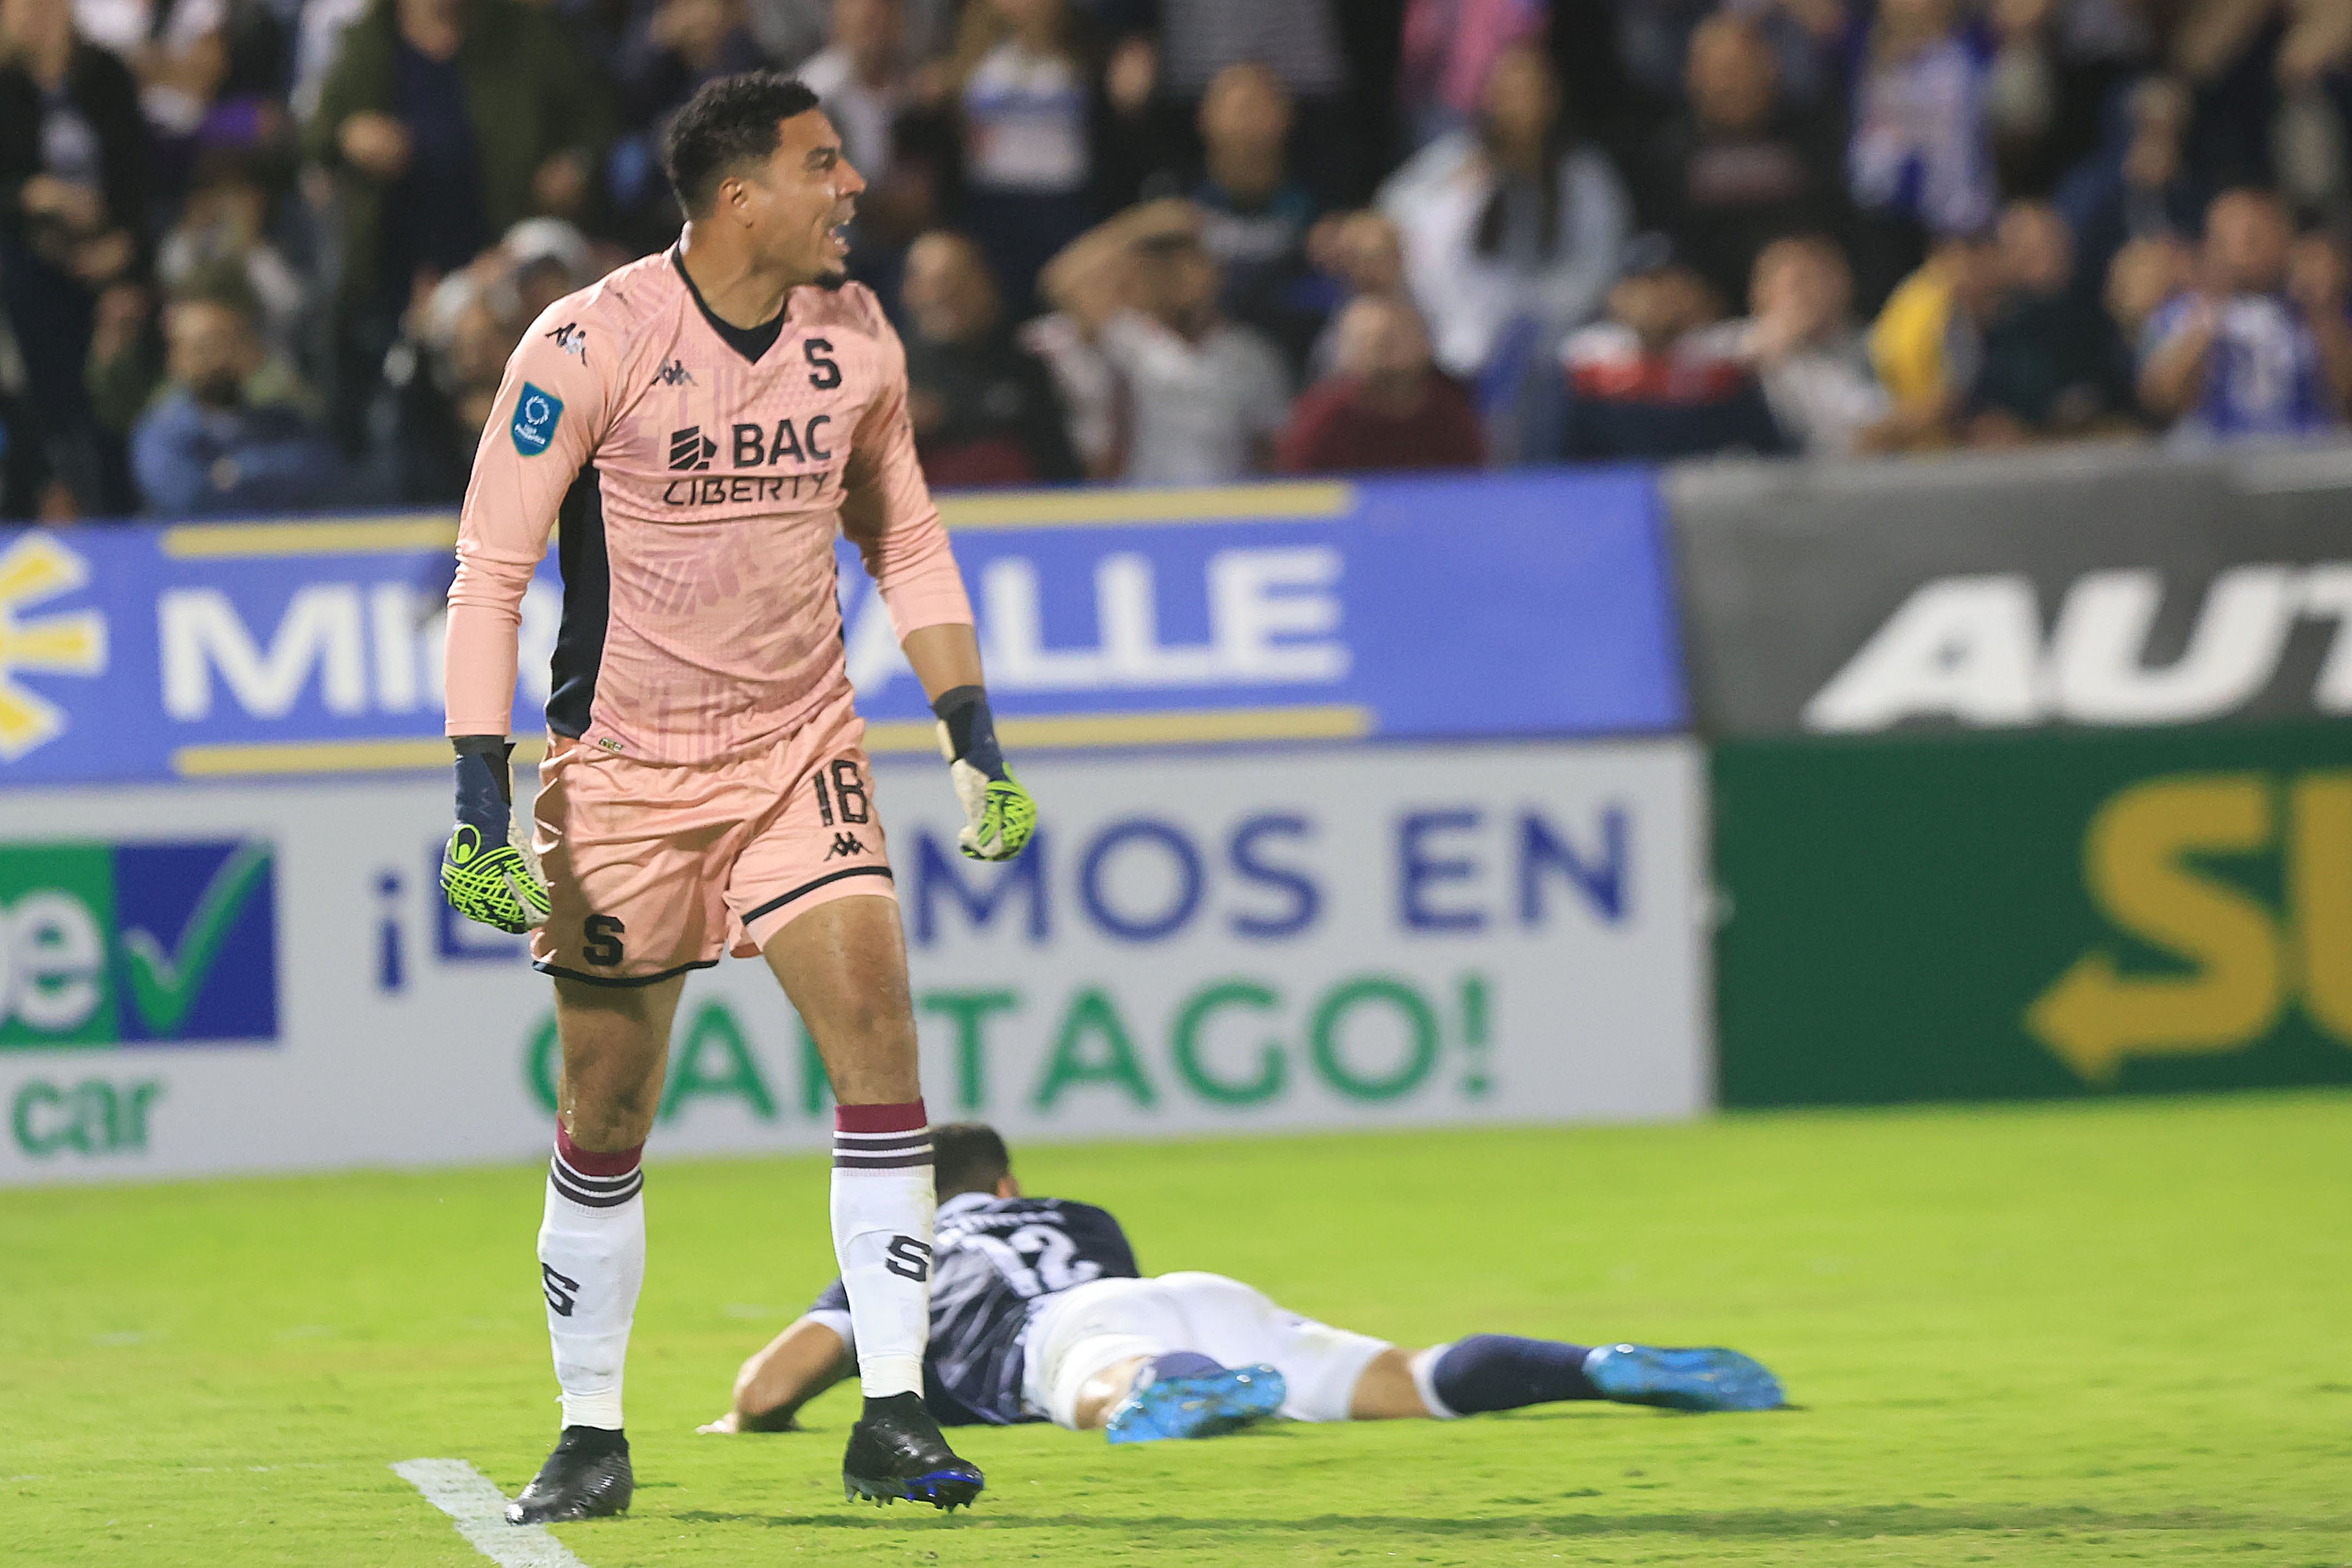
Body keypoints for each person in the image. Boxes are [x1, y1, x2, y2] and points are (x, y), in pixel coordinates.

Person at [436, 72, 1040, 1524]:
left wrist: (975, 737)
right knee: (608, 1100)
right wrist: (477, 797)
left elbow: (909, 541)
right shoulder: (590, 341)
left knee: (882, 1041)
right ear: (737, 198)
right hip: (624, 773)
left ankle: (893, 1411)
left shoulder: (856, 334)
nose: (853, 188)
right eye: (822, 165)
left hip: (797, 748)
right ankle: (591, 1429)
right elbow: (490, 576)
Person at [701, 1124, 1787, 1442]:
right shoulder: (1080, 1215)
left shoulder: (897, 1249)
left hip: (1076, 1329)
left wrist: (758, 1419)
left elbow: (768, 1386)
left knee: (1099, 1376)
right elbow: (1107, 1283)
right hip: (1201, 1292)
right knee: (1406, 1375)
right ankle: (1595, 1365)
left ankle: (1172, 1393)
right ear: (1009, 1180)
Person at [1378, 44, 1630, 457]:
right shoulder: (1456, 162)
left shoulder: (1582, 174)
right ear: (1488, 99)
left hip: (1553, 342)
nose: (1519, 104)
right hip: (1456, 336)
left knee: (1536, 376)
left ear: (1552, 100)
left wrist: (1535, 318)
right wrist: (1461, 193)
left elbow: (1599, 265)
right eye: (1508, 91)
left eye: (1531, 91)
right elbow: (1394, 217)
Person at [1091, 199, 1292, 483]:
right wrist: (1146, 224)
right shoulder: (1123, 338)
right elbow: (1061, 283)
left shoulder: (1253, 352)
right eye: (1166, 268)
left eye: (1192, 265)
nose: (1179, 277)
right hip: (1147, 506)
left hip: (1230, 508)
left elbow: (1271, 447)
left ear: (1217, 273)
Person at [2137, 187, 2352, 444]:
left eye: (2257, 236)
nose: (2246, 249)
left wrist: (2323, 311)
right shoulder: (2181, 313)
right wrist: (2208, 314)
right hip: (2217, 458)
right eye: (2234, 237)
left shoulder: (2314, 312)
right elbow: (2162, 398)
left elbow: (2345, 393)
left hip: (2304, 454)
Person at [1555, 236, 1787, 462]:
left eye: (1670, 283)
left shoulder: (1724, 365)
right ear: (1616, 296)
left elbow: (1768, 457)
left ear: (1694, 292)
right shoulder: (1582, 364)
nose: (1654, 299)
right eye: (1643, 285)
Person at [130, 271, 339, 514]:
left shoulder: (282, 419)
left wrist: (240, 470)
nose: (216, 359)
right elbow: (192, 503)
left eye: (223, 342)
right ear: (175, 357)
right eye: (200, 348)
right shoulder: (163, 434)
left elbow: (322, 470)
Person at [898, 229, 1079, 485]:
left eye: (959, 283)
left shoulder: (1024, 366)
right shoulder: (887, 372)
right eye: (936, 283)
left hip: (1014, 515)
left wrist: (944, 416)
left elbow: (1060, 466)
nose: (946, 296)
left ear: (986, 284)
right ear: (910, 290)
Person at [1700, 234, 1893, 458]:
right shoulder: (1725, 343)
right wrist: (1764, 349)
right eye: (1798, 284)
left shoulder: (1874, 344)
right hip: (1742, 481)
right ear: (1761, 291)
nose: (1812, 294)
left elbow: (1871, 420)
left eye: (1823, 280)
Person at [1277, 295, 1484, 473]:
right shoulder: (1323, 419)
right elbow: (1300, 486)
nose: (1386, 358)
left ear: (1424, 345)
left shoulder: (1449, 414)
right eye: (1373, 344)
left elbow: (1469, 485)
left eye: (1395, 341)